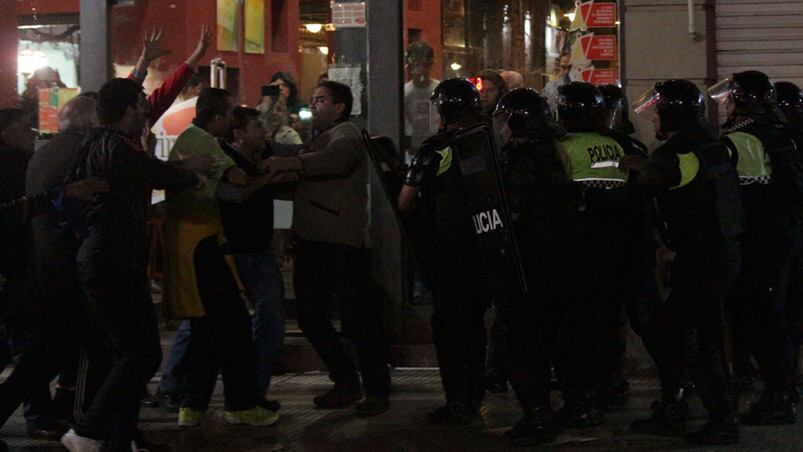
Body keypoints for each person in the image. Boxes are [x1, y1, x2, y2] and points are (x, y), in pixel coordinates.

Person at [61, 78, 207, 452]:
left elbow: (143, 171)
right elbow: (148, 174)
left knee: (127, 354)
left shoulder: (103, 142)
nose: (146, 110)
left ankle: (118, 436)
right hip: (110, 260)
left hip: (109, 258)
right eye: (141, 104)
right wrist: (189, 175)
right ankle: (89, 430)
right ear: (127, 109)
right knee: (140, 353)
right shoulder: (113, 147)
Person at [624, 79, 743, 445]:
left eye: (658, 112)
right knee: (690, 333)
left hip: (700, 259)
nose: (655, 119)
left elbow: (638, 195)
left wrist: (630, 170)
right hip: (724, 253)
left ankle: (719, 419)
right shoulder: (715, 147)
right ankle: (689, 406)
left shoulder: (672, 155)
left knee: (683, 336)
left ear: (671, 114)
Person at [265, 80, 391, 416]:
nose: (314, 105)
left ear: (340, 107)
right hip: (314, 241)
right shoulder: (317, 140)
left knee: (358, 319)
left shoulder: (346, 134)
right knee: (310, 316)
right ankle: (347, 381)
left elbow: (335, 161)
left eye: (321, 100)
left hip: (340, 243)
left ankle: (375, 390)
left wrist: (294, 163)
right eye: (314, 99)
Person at [163, 88, 279, 429]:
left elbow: (226, 192)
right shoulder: (205, 143)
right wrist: (267, 177)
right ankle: (239, 404)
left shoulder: (188, 138)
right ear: (217, 117)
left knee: (206, 328)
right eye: (230, 115)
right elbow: (237, 182)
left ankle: (193, 404)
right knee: (235, 324)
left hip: (193, 243)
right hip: (201, 245)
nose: (232, 121)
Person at [709, 70, 802, 425]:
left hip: (760, 240)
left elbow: (736, 194)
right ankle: (784, 387)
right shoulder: (781, 133)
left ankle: (777, 396)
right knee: (780, 314)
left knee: (762, 316)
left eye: (732, 98)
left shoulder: (743, 139)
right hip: (785, 235)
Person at [397, 78, 489, 424]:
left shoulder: (436, 148)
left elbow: (405, 202)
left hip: (448, 253)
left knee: (450, 330)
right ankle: (474, 396)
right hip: (483, 248)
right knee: (475, 329)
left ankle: (458, 403)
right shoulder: (485, 143)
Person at [490, 88, 577, 445]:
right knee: (551, 338)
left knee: (520, 342)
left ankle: (538, 415)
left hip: (529, 261)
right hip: (557, 259)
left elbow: (512, 209)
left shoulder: (522, 158)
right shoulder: (554, 150)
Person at [553, 81, 642, 427]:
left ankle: (578, 400)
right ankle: (608, 387)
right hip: (615, 250)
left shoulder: (560, 148)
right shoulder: (616, 145)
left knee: (573, 329)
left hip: (574, 251)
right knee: (605, 323)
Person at [218, 106, 296, 409]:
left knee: (267, 320)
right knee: (265, 319)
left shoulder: (263, 157)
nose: (263, 132)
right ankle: (247, 395)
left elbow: (284, 194)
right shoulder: (229, 162)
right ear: (238, 135)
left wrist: (282, 233)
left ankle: (252, 392)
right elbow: (239, 193)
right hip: (238, 251)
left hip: (257, 249)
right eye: (256, 127)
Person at [404, 42, 441, 152]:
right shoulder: (405, 93)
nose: (420, 69)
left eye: (424, 65)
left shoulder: (439, 89)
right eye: (416, 65)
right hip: (411, 146)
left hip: (435, 144)